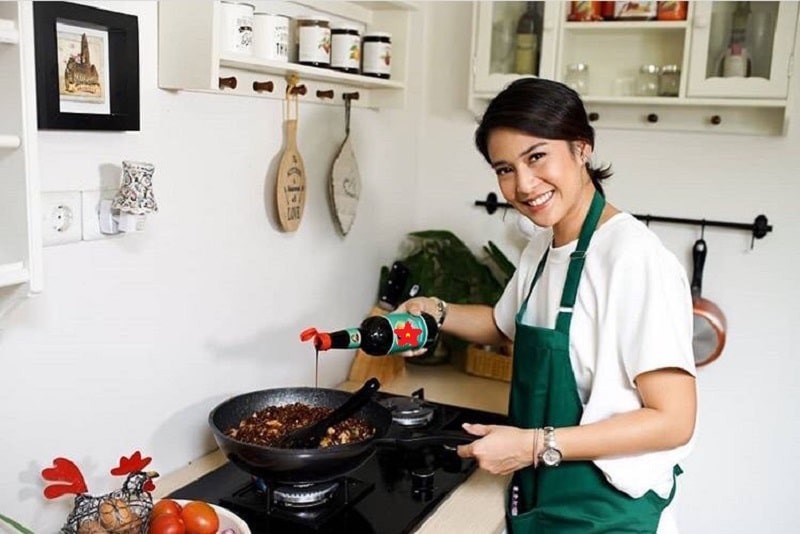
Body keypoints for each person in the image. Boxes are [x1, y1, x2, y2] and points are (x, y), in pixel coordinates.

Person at [397, 78, 697, 533]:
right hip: (544, 491)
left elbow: (673, 421)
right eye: (504, 168)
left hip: (609, 511)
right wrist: (435, 310)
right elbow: (503, 325)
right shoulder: (543, 245)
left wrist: (534, 445)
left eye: (536, 157)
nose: (523, 184)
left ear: (582, 147)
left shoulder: (633, 258)